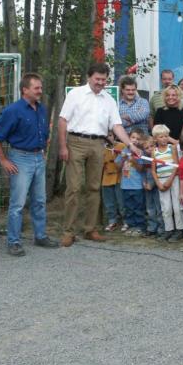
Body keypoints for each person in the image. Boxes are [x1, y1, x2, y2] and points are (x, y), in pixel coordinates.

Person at [58, 63, 141, 247]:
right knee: (73, 188)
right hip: (76, 142)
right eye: (97, 79)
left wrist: (130, 145)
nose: (100, 83)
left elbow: (116, 126)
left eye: (104, 80)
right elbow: (63, 120)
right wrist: (63, 146)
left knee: (95, 187)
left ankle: (90, 229)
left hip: (98, 144)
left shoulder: (109, 100)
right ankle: (68, 231)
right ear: (89, 77)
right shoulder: (75, 94)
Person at [0, 73, 60, 256]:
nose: (40, 91)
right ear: (25, 90)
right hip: (20, 158)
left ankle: (40, 235)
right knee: (18, 203)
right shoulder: (13, 110)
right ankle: (13, 241)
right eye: (37, 88)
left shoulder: (41, 109)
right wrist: (3, 159)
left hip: (38, 158)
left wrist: (42, 151)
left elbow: (43, 133)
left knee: (39, 200)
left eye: (41, 88)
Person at [151, 124, 183, 242]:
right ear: (155, 139)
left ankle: (180, 229)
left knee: (177, 205)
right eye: (161, 137)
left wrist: (170, 180)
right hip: (161, 180)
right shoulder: (154, 151)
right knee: (166, 207)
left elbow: (176, 165)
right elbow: (153, 170)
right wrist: (158, 183)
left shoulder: (172, 148)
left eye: (166, 136)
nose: (164, 139)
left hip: (173, 179)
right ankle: (168, 229)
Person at [116, 128, 148, 236]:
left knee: (138, 207)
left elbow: (141, 168)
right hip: (125, 185)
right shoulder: (124, 150)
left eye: (138, 139)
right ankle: (131, 225)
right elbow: (118, 167)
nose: (135, 140)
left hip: (137, 186)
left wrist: (133, 160)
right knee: (128, 207)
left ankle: (140, 227)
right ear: (129, 138)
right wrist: (123, 159)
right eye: (133, 137)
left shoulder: (140, 152)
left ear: (141, 141)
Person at [101, 132, 126, 231]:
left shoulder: (121, 146)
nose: (108, 138)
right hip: (106, 178)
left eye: (110, 135)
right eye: (105, 136)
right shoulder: (102, 148)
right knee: (109, 202)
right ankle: (112, 221)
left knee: (121, 201)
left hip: (119, 177)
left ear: (114, 136)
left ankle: (126, 221)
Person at [141, 136, 164, 238]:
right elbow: (144, 172)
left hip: (157, 186)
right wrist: (145, 183)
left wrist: (152, 184)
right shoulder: (144, 159)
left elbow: (158, 173)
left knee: (159, 208)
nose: (149, 149)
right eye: (146, 148)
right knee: (150, 208)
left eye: (151, 146)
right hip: (148, 187)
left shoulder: (158, 157)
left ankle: (161, 229)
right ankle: (151, 228)